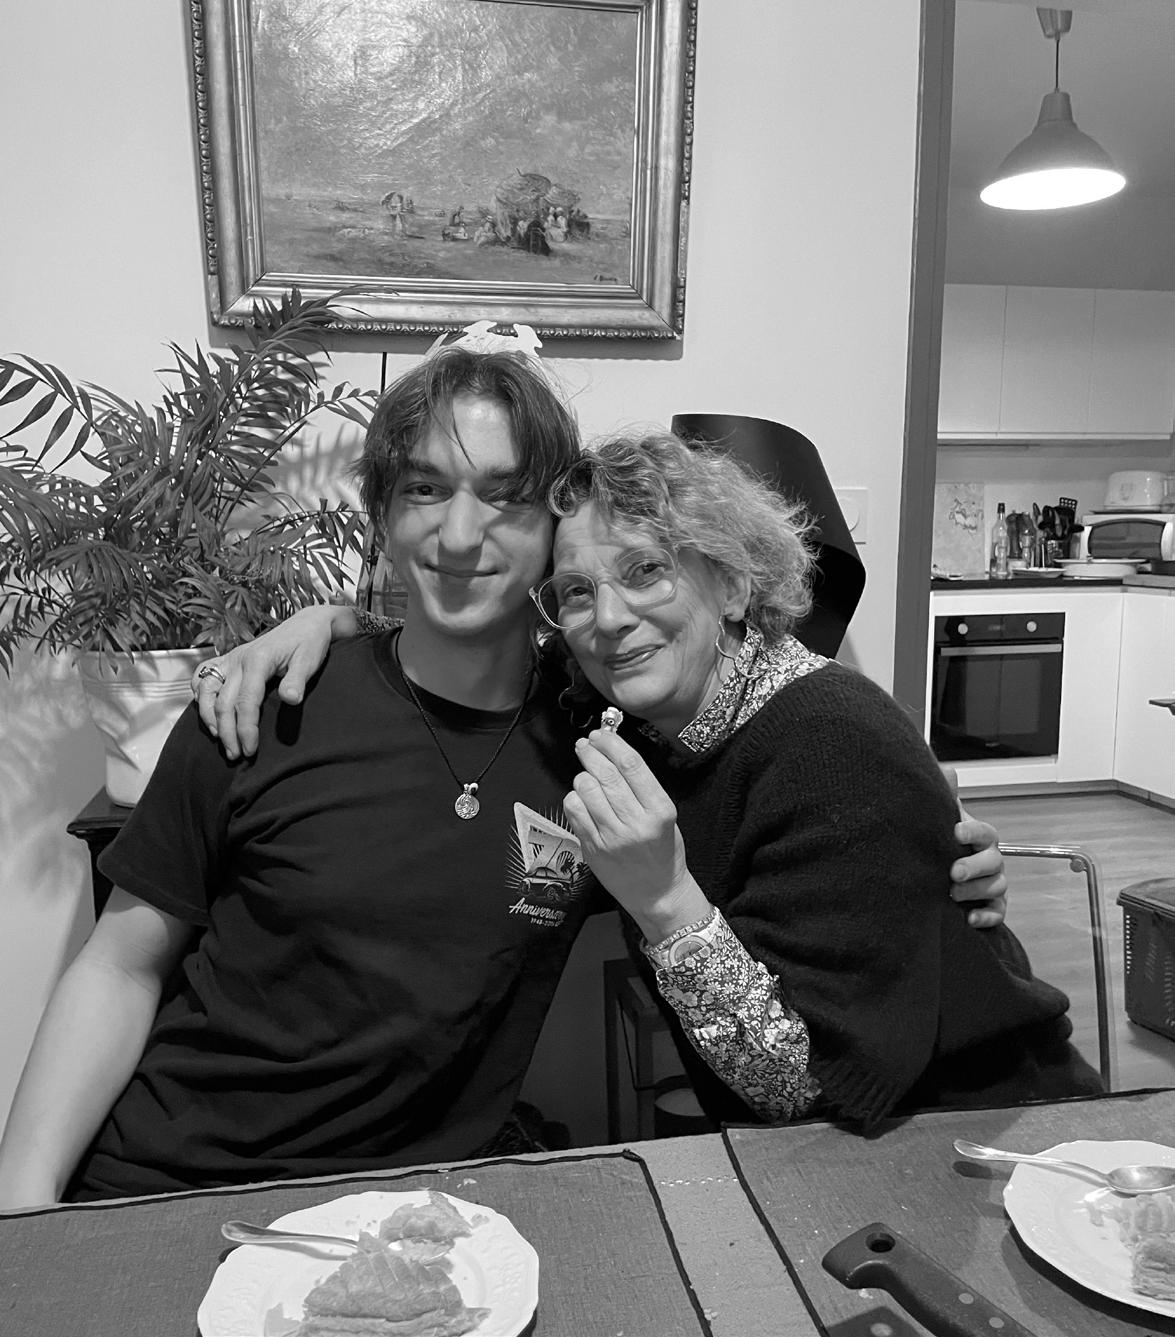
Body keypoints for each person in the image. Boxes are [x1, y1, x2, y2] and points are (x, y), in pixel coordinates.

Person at [0, 341, 593, 1205]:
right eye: (425, 489)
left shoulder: (595, 748)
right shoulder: (262, 704)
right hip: (171, 1185)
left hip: (408, 1211)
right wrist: (22, 1198)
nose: (461, 535)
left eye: (505, 496)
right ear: (382, 513)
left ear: (556, 524)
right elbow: (122, 965)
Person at [540, 432, 1101, 1125]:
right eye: (576, 592)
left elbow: (806, 1086)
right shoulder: (643, 724)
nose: (608, 618)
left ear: (732, 585)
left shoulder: (833, 743)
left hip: (975, 1132)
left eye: (646, 570)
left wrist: (663, 900)